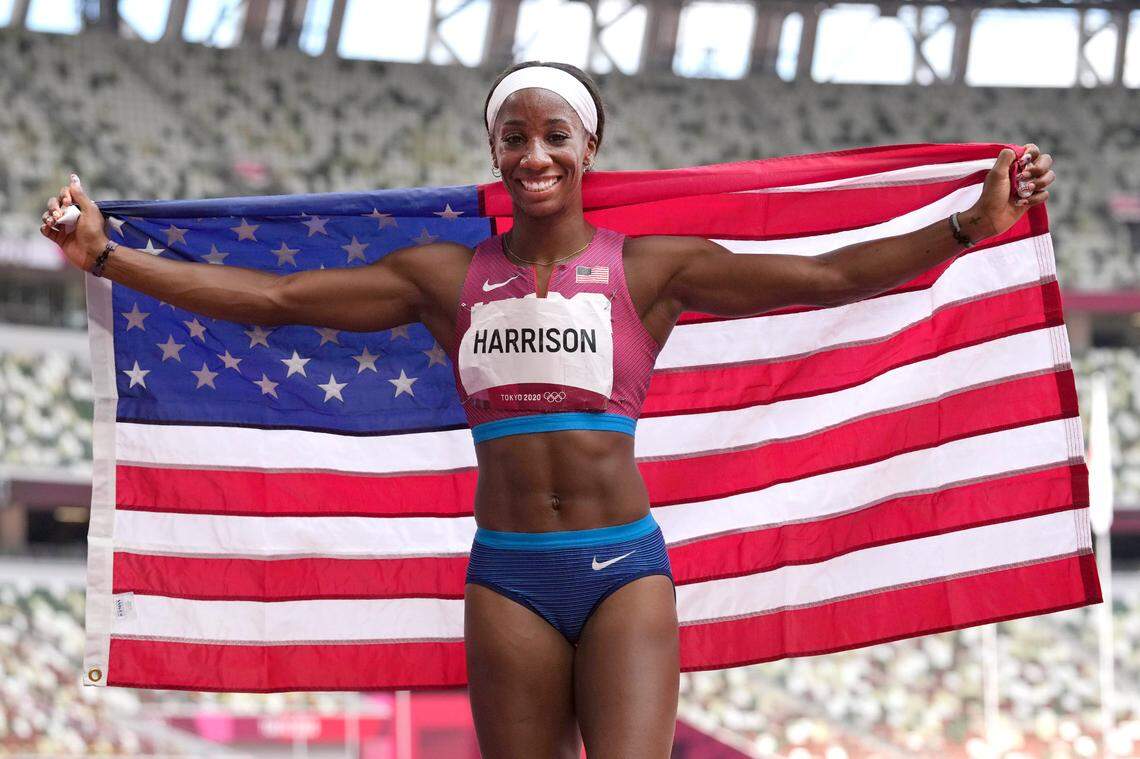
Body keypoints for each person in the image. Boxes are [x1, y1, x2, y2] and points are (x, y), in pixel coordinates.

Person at [41, 60, 1054, 759]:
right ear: (495, 150)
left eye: (554, 135)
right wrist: (107, 256)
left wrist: (972, 224)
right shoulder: (445, 277)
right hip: (509, 576)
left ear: (587, 147)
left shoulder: (652, 268)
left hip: (623, 569)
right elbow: (275, 299)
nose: (534, 153)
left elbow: (827, 276)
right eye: (514, 136)